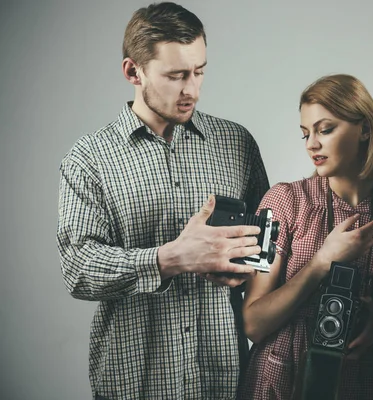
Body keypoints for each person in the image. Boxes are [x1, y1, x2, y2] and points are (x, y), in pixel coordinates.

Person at [56, 2, 269, 399]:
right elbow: (78, 268)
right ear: (133, 72)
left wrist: (244, 269)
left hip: (222, 378)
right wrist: (170, 258)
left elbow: (266, 248)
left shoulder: (237, 144)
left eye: (199, 71)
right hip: (135, 380)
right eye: (176, 76)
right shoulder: (89, 159)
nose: (192, 89)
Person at [237, 74, 373, 400]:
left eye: (324, 130)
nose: (312, 143)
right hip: (280, 381)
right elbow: (253, 322)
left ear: (365, 129)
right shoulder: (283, 202)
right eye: (305, 134)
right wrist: (321, 262)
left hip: (363, 383)